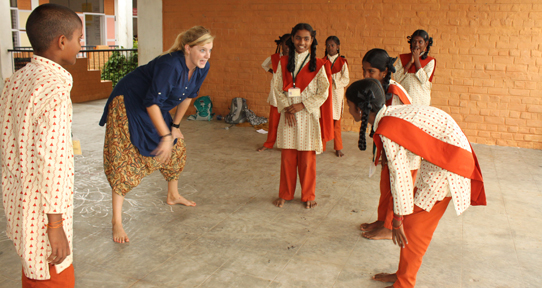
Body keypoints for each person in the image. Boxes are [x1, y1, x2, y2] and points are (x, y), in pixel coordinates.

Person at [345, 78, 485, 288]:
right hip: (442, 160)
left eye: (348, 105)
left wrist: (397, 219)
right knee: (412, 226)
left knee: (414, 229)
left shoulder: (387, 127)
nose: (347, 109)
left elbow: (399, 176)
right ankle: (402, 276)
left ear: (358, 108)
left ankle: (404, 283)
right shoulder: (389, 114)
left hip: (450, 165)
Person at [98, 26, 214, 243]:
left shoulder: (201, 67)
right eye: (202, 50)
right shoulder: (170, 65)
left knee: (177, 146)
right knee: (125, 157)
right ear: (188, 48)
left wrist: (175, 126)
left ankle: (173, 195)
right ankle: (117, 221)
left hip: (152, 104)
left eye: (209, 51)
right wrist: (165, 136)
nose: (207, 56)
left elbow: (189, 96)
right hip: (129, 101)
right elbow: (152, 102)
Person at [0, 4, 82, 286]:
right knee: (51, 273)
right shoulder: (55, 89)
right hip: (44, 215)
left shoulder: (17, 80)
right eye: (79, 39)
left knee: (31, 270)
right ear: (62, 41)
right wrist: (55, 226)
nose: (80, 46)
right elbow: (53, 162)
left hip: (20, 204)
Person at [358, 49, 418, 241]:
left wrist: (388, 151)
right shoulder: (378, 89)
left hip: (405, 152)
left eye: (371, 72)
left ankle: (390, 227)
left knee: (396, 188)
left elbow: (399, 128)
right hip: (388, 149)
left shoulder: (395, 92)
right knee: (386, 187)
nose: (366, 76)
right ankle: (382, 220)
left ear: (384, 72)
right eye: (364, 71)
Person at [271, 23, 333, 209]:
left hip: (307, 115)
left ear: (312, 41)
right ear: (292, 38)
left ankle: (308, 195)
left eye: (306, 39)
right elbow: (276, 88)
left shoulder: (320, 64)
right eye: (298, 38)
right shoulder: (283, 62)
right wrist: (287, 107)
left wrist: (302, 105)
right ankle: (285, 193)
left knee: (307, 159)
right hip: (288, 114)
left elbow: (324, 92)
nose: (301, 42)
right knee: (288, 158)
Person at [258, 33, 290, 152]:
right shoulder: (275, 57)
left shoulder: (295, 58)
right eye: (285, 43)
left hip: (289, 95)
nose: (287, 46)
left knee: (287, 122)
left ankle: (285, 145)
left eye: (289, 43)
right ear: (280, 44)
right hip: (276, 95)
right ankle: (269, 143)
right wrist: (273, 72)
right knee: (274, 121)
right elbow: (264, 64)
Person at [322, 36, 350, 157]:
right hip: (324, 95)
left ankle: (338, 148)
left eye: (332, 45)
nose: (330, 48)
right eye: (328, 45)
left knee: (336, 123)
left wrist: (334, 82)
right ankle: (321, 147)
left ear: (338, 46)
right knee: (322, 121)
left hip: (337, 95)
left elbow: (346, 79)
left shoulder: (342, 62)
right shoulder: (322, 61)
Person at [393, 30, 435, 106]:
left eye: (420, 42)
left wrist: (416, 59)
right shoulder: (403, 58)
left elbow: (423, 79)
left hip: (421, 101)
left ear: (426, 43)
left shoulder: (430, 61)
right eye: (414, 41)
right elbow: (397, 78)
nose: (416, 44)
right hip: (404, 100)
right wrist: (410, 62)